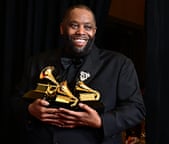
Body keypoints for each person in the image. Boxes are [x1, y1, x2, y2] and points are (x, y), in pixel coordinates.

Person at [10, 4, 146, 144]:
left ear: (94, 31)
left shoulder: (119, 64)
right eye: (74, 25)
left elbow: (136, 109)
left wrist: (101, 121)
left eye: (87, 27)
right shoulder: (37, 61)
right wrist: (30, 110)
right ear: (62, 28)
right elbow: (16, 100)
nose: (81, 32)